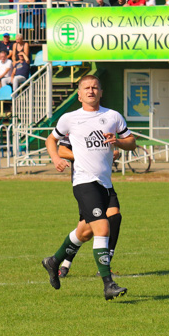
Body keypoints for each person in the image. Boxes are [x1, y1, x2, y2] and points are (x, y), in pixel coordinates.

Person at [41, 75, 135, 301]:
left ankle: (53, 261)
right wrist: (55, 159)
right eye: (86, 88)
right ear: (79, 94)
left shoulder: (113, 116)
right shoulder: (70, 118)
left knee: (86, 231)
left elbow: (131, 142)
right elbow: (50, 140)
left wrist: (118, 142)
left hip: (105, 184)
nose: (91, 91)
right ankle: (108, 284)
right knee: (103, 228)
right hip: (83, 182)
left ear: (101, 92)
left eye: (95, 87)